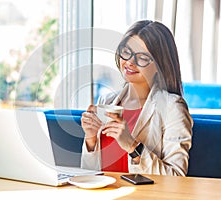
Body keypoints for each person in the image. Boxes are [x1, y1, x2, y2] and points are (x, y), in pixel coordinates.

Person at [80, 20, 193, 176]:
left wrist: (133, 147)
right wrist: (91, 139)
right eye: (126, 52)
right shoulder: (106, 102)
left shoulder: (172, 107)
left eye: (142, 57)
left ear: (159, 65)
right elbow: (89, 175)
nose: (130, 62)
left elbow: (177, 177)